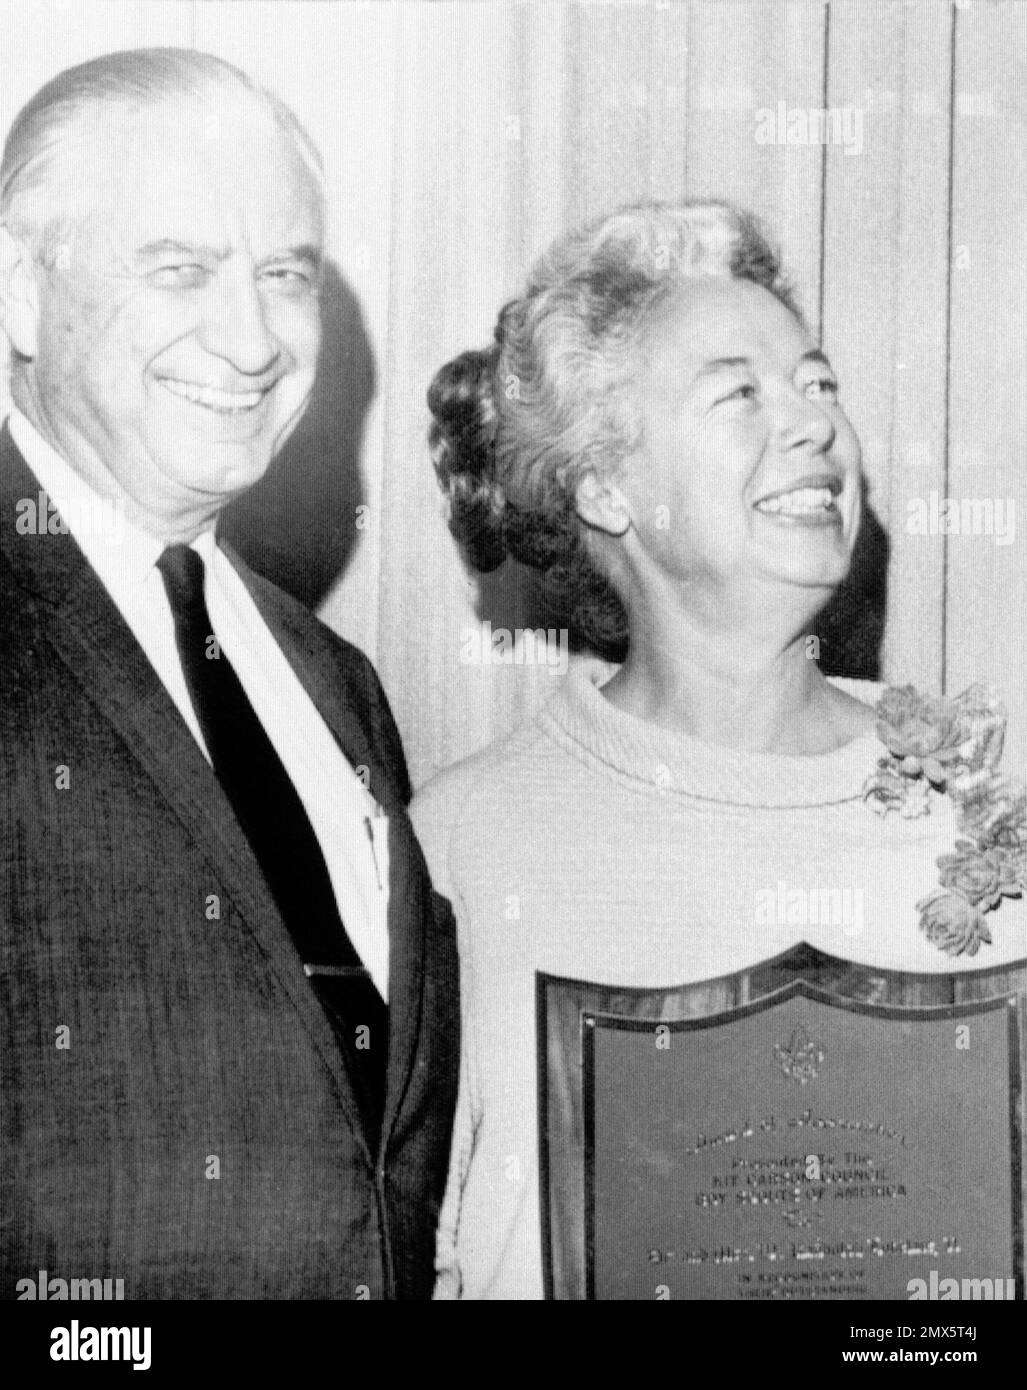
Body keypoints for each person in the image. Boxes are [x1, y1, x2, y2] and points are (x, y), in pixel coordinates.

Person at [413, 200, 1027, 1299]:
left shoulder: (983, 807)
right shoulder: (460, 843)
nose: (812, 425)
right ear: (605, 484)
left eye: (819, 385)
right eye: (740, 390)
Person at [0, 48, 457, 1300]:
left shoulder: (334, 685)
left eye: (284, 276)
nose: (251, 339)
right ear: (19, 297)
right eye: (179, 269)